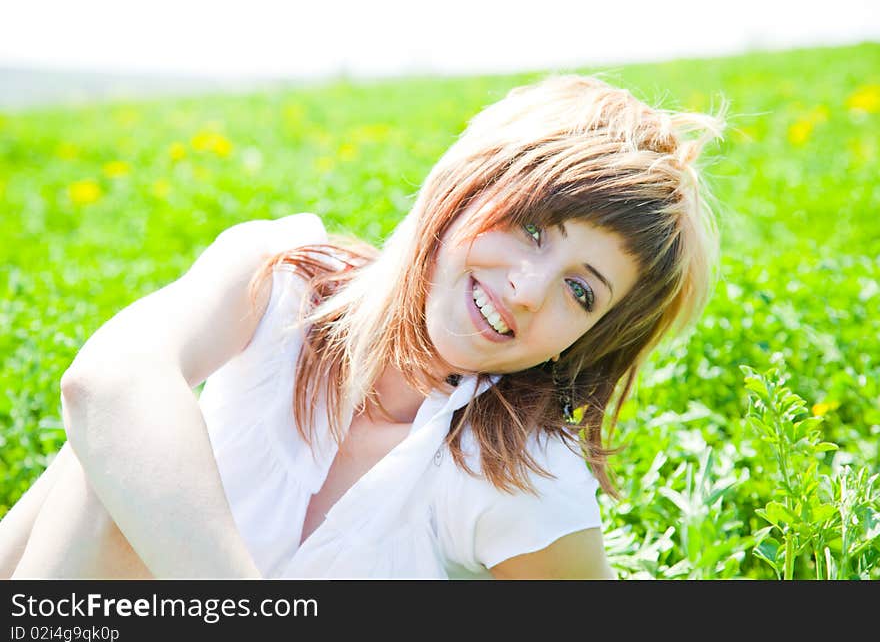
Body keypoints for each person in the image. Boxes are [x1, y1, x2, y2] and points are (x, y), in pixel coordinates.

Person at [0, 74, 724, 579]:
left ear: (588, 340)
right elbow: (106, 382)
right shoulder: (279, 277)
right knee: (113, 455)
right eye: (534, 227)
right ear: (466, 181)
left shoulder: (521, 474)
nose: (529, 292)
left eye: (579, 290)